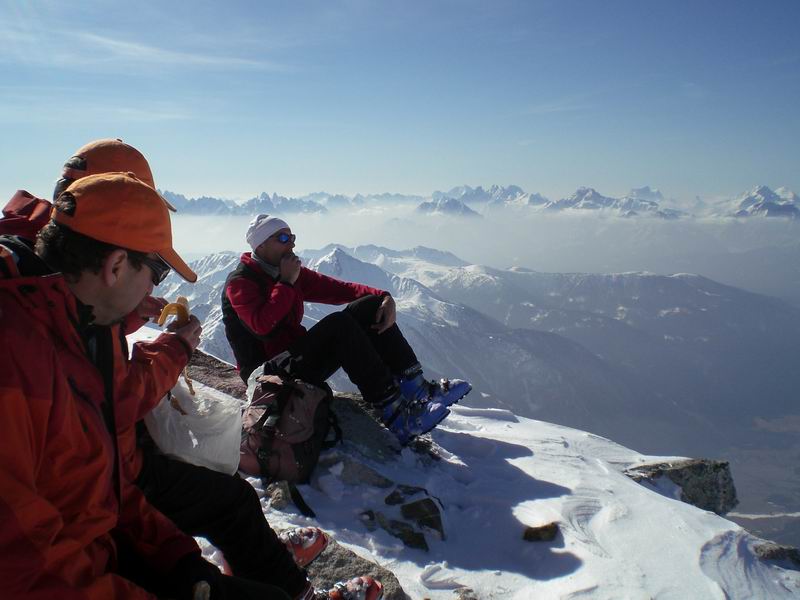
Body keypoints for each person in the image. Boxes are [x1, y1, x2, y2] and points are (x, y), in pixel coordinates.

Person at [0, 146, 382, 600]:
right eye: (156, 270)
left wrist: (182, 562)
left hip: (104, 515)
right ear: (115, 263)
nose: (154, 285)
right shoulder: (21, 351)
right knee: (229, 505)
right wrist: (176, 346)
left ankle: (258, 568)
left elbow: (98, 474)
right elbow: (27, 563)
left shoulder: (59, 294)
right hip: (85, 545)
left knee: (229, 510)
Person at [222, 214, 472, 445]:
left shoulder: (286, 272)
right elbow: (263, 327)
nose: (292, 244)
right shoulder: (241, 282)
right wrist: (286, 283)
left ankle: (417, 389)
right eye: (283, 238)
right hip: (267, 375)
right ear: (261, 245)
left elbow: (337, 289)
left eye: (292, 237)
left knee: (369, 306)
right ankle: (395, 414)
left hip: (294, 359)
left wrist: (383, 297)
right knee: (338, 325)